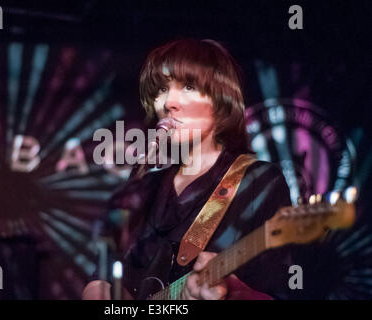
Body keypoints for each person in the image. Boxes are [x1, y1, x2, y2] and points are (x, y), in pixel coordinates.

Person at [82, 38, 296, 300]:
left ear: (221, 101)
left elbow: (282, 292)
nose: (169, 102)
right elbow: (108, 275)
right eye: (161, 89)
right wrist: (99, 289)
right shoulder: (146, 185)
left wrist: (231, 289)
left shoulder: (260, 182)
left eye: (188, 86)